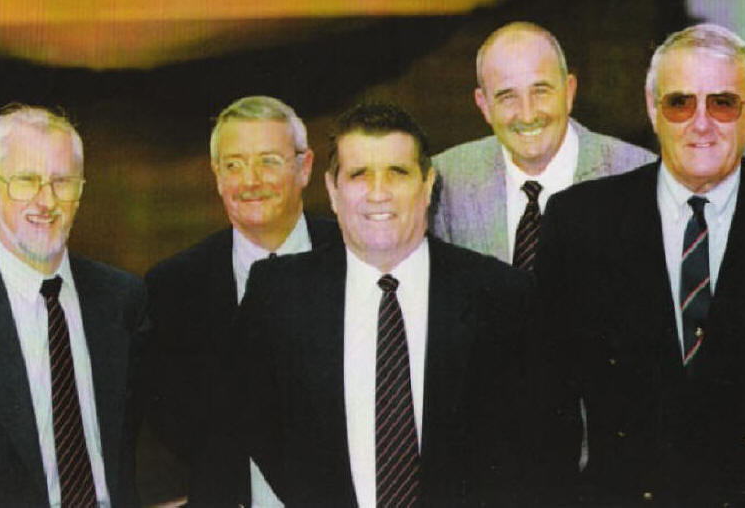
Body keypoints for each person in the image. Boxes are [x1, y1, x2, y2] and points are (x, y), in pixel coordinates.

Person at [225, 103, 535, 506]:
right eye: (359, 174)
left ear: (428, 185)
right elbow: (254, 421)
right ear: (333, 191)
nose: (378, 192)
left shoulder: (500, 296)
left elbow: (529, 446)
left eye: (397, 172)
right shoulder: (278, 295)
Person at [535, 23, 745, 506]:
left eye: (722, 103)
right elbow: (547, 404)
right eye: (680, 103)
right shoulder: (580, 222)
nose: (701, 123)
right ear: (652, 111)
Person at [143, 96, 340, 505]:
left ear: (304, 168)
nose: (250, 181)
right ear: (217, 176)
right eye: (234, 165)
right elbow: (169, 425)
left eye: (268, 161)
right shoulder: (172, 288)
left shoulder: (358, 258)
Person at [0, 105, 147, 506]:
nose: (46, 200)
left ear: (81, 191)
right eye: (26, 180)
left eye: (62, 182)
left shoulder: (123, 298)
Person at [432, 21, 653, 270]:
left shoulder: (640, 177)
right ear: (484, 105)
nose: (527, 115)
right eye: (507, 96)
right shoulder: (444, 181)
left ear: (569, 92)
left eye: (540, 91)